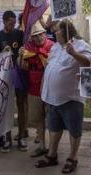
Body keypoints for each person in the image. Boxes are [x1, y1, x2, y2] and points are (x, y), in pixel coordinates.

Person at [36, 19, 91, 174]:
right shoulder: (55, 47)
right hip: (52, 98)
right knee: (54, 127)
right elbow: (50, 65)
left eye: (58, 30)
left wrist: (74, 53)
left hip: (70, 98)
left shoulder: (80, 45)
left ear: (68, 31)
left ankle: (73, 158)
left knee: (74, 129)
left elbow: (89, 63)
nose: (55, 32)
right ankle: (52, 155)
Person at [0, 10, 28, 152]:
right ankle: (7, 138)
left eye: (14, 23)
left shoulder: (19, 34)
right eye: (10, 23)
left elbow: (25, 51)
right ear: (5, 21)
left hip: (19, 74)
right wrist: (3, 52)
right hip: (4, 75)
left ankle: (21, 137)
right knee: (6, 108)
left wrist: (22, 52)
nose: (13, 25)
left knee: (21, 105)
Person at [21, 21, 54, 157]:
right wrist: (21, 56)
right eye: (34, 36)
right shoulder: (28, 48)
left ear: (44, 34)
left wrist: (39, 53)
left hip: (50, 88)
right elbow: (24, 67)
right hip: (34, 89)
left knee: (52, 120)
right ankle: (42, 146)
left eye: (39, 35)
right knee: (38, 119)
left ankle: (53, 148)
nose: (37, 38)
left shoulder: (52, 47)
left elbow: (52, 64)